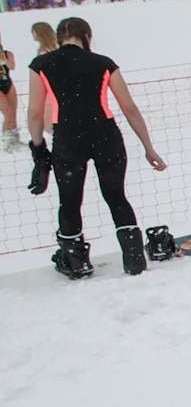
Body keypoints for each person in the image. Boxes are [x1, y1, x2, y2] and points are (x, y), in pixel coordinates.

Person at [26, 17, 167, 278]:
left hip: (68, 140)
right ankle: (134, 259)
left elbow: (34, 114)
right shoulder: (103, 63)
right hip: (106, 137)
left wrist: (38, 151)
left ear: (59, 38)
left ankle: (76, 261)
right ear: (87, 36)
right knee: (116, 196)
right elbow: (129, 108)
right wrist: (149, 148)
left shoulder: (42, 65)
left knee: (69, 201)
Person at [0, 29, 17, 150]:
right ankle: (7, 141)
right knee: (8, 113)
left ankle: (15, 139)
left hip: (8, 83)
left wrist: (4, 59)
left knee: (14, 113)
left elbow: (12, 66)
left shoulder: (7, 53)